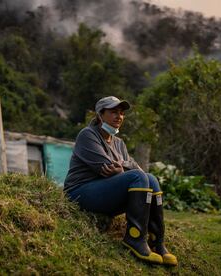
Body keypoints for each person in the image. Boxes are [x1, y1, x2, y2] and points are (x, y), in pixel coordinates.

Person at [64, 96, 178, 266]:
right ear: (100, 115)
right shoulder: (87, 135)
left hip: (106, 192)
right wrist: (126, 166)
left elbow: (133, 168)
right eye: (113, 112)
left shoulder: (119, 143)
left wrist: (122, 167)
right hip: (80, 192)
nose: (119, 116)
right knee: (138, 177)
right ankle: (134, 239)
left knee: (151, 179)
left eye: (122, 113)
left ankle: (157, 241)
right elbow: (107, 168)